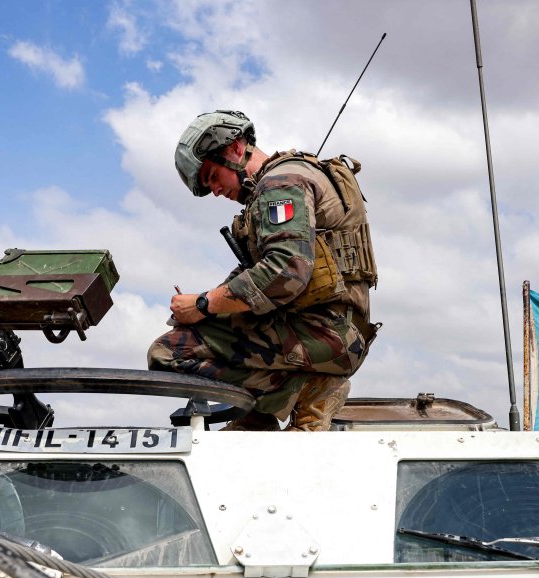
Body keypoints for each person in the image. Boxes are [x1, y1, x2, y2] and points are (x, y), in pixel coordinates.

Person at [147, 110, 379, 431]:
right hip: (334, 330)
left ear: (235, 148)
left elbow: (285, 272)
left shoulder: (281, 184)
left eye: (212, 175)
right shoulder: (282, 183)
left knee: (169, 352)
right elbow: (255, 276)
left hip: (324, 332)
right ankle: (260, 415)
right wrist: (204, 308)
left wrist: (203, 304)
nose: (215, 190)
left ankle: (306, 391)